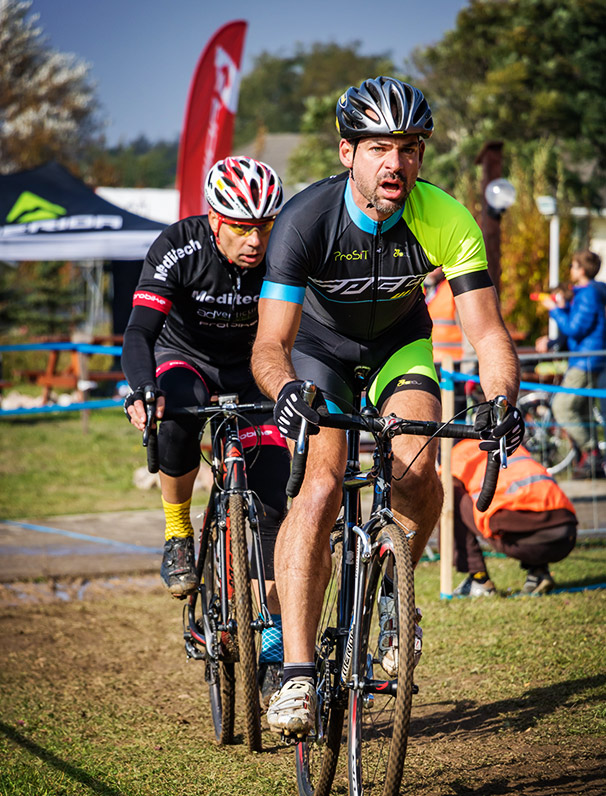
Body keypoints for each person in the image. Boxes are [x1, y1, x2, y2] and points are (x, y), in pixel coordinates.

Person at [250, 76, 524, 737]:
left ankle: (399, 601)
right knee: (318, 486)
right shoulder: (306, 219)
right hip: (319, 351)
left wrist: (503, 400)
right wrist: (287, 390)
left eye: (409, 148)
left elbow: (486, 332)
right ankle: (296, 674)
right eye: (379, 147)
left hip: (401, 346)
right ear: (348, 153)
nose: (395, 163)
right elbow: (269, 343)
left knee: (416, 464)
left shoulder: (446, 218)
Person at [121, 156, 290, 704]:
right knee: (175, 412)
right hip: (185, 359)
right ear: (215, 219)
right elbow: (140, 332)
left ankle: (270, 645)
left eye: (264, 225)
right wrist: (144, 390)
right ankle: (177, 533)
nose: (255, 239)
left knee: (272, 500)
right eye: (242, 226)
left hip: (251, 367)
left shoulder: (282, 250)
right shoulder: (180, 246)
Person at [449, 439, 577, 597]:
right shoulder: (511, 444)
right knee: (528, 501)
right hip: (567, 535)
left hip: (523, 542)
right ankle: (538, 572)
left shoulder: (457, 454)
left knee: (448, 493)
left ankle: (479, 579)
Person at [539, 250, 606, 478]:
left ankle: (592, 452)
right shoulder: (587, 293)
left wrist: (555, 310)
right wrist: (564, 307)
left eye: (574, 266)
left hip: (586, 360)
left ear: (583, 270)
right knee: (583, 412)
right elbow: (579, 323)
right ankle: (591, 465)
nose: (570, 270)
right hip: (586, 356)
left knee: (563, 407)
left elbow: (575, 328)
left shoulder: (588, 295)